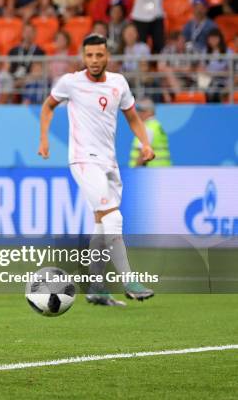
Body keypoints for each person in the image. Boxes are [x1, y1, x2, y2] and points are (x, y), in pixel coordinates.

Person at [38, 34, 156, 306]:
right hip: (83, 160)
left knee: (102, 225)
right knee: (112, 218)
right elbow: (48, 106)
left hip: (109, 162)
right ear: (83, 56)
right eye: (89, 55)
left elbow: (133, 118)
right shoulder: (71, 82)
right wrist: (44, 138)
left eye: (99, 55)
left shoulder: (119, 83)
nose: (93, 60)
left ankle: (96, 288)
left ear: (107, 57)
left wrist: (145, 144)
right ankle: (128, 280)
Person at [129, 98, 171, 167]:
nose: (138, 113)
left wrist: (135, 170)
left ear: (150, 112)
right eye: (138, 110)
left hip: (151, 172)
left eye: (141, 110)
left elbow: (142, 153)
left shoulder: (148, 128)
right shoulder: (156, 125)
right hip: (161, 170)